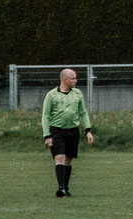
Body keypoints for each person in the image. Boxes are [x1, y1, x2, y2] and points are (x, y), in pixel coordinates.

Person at [41, 68, 95, 197]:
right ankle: (60, 189)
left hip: (73, 130)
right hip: (56, 130)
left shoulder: (77, 93)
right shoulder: (51, 95)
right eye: (73, 78)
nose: (76, 80)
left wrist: (88, 130)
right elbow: (45, 116)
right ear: (65, 80)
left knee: (68, 160)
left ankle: (65, 187)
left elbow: (83, 112)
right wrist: (47, 135)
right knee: (59, 157)